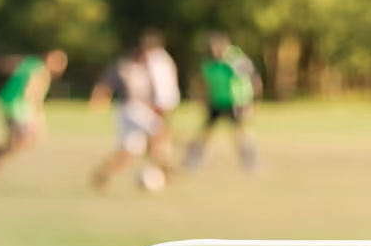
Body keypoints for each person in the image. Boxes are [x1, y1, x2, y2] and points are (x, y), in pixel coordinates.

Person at [89, 46, 169, 190]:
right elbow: (107, 84)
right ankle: (160, 165)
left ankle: (103, 173)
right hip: (131, 109)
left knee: (129, 153)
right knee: (158, 130)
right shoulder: (126, 68)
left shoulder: (142, 70)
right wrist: (99, 98)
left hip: (131, 111)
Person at [186, 32, 262, 172]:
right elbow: (204, 83)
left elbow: (254, 80)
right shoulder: (208, 62)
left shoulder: (236, 61)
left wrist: (252, 102)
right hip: (216, 102)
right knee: (204, 133)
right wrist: (201, 98)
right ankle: (193, 161)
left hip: (235, 103)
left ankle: (250, 163)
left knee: (241, 134)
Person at [0, 49, 68, 175]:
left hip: (7, 102)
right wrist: (39, 117)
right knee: (28, 139)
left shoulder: (31, 63)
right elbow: (33, 94)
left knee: (18, 139)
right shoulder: (42, 72)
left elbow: (8, 63)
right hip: (19, 106)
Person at [140, 29, 181, 170]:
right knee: (160, 132)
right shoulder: (165, 58)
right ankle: (160, 159)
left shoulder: (152, 59)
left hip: (158, 102)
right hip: (167, 100)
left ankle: (160, 162)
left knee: (156, 133)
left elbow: (152, 83)